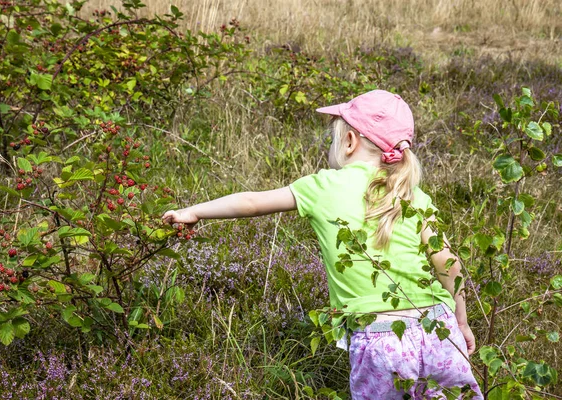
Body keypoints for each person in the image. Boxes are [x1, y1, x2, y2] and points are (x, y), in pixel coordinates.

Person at [162, 90, 482, 399]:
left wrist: (194, 211)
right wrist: (462, 321)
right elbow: (447, 262)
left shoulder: (323, 187)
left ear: (349, 141)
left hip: (379, 337)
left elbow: (250, 202)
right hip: (439, 327)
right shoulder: (415, 195)